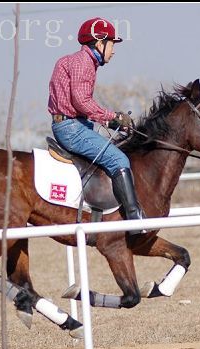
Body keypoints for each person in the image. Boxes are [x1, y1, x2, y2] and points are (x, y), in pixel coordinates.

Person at [47, 17, 145, 235]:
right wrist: (112, 117)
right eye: (112, 43)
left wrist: (111, 120)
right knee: (119, 159)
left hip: (74, 124)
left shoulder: (72, 60)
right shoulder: (84, 63)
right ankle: (134, 220)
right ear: (99, 43)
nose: (114, 50)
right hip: (72, 128)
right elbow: (81, 101)